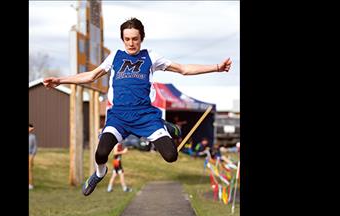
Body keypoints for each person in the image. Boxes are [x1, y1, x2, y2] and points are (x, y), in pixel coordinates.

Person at [43, 17, 232, 196]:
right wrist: (60, 80)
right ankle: (99, 174)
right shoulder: (115, 57)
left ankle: (163, 126)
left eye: (135, 39)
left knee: (171, 156)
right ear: (122, 39)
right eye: (127, 39)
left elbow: (183, 69)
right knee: (100, 153)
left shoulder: (150, 57)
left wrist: (216, 67)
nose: (131, 43)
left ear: (141, 38)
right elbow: (91, 76)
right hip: (119, 117)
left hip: (145, 116)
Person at [29, 124, 37, 190]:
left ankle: (30, 184)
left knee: (29, 170)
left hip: (30, 155)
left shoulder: (33, 137)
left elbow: (35, 147)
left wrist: (32, 156)